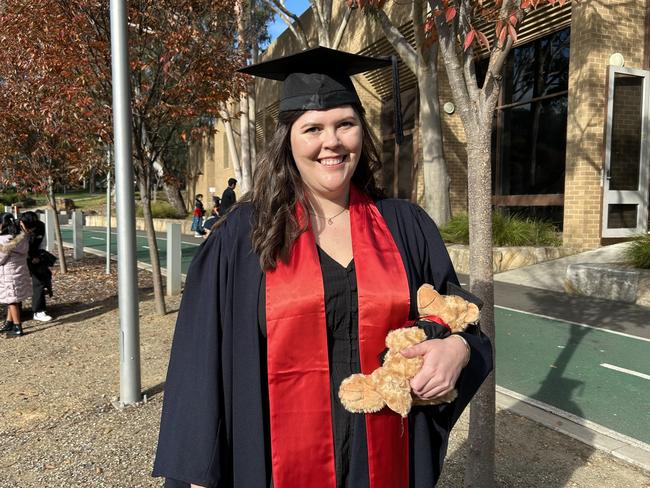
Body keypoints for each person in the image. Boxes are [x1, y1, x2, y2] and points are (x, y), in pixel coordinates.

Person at [153, 47, 492, 488]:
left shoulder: (406, 226)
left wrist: (458, 352)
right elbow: (200, 362)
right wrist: (197, 475)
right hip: (275, 465)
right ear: (288, 141)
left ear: (361, 134)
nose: (331, 142)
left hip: (384, 460)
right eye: (312, 128)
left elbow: (460, 321)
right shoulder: (243, 236)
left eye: (345, 124)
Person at [0, 213, 32, 337]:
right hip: (19, 272)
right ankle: (9, 322)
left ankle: (18, 327)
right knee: (12, 299)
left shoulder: (4, 240)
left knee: (11, 300)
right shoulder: (22, 237)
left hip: (8, 274)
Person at [20, 211, 54, 322]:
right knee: (17, 284)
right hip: (17, 258)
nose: (31, 230)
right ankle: (15, 312)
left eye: (33, 228)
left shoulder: (40, 226)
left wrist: (38, 256)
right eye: (29, 228)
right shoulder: (14, 229)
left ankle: (38, 310)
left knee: (39, 281)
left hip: (35, 255)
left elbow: (43, 243)